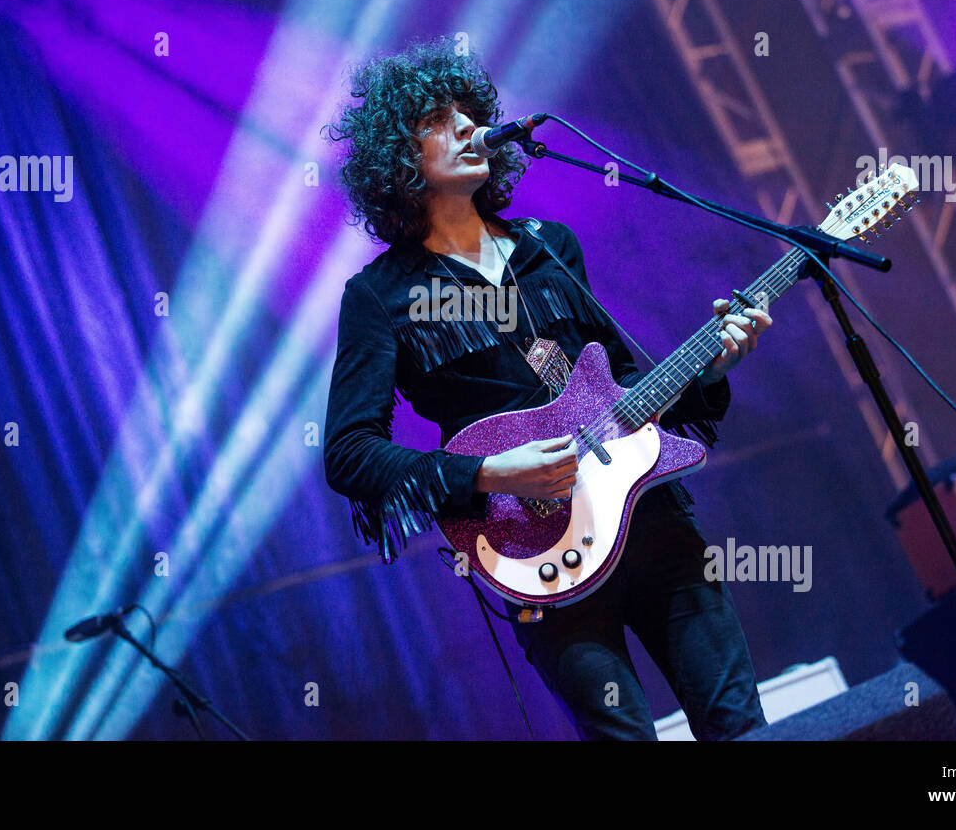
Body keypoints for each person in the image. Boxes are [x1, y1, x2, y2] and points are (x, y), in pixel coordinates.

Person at [322, 37, 771, 740]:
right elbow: (348, 451)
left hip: (651, 522)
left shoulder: (549, 246)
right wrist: (487, 473)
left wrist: (711, 369)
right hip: (531, 555)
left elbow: (621, 386)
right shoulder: (380, 296)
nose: (468, 127)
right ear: (398, 156)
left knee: (740, 727)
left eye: (470, 113)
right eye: (440, 119)